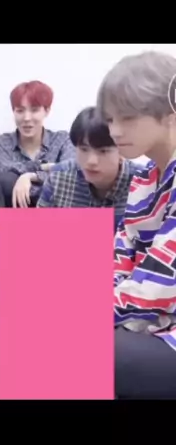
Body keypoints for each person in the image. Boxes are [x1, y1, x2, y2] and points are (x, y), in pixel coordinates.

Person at [97, 50, 176, 398]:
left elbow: (162, 282)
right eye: (110, 118)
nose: (115, 131)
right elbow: (121, 253)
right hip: (151, 315)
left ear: (170, 113)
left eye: (127, 117)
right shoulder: (143, 178)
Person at [37, 106, 142, 232]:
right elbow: (38, 234)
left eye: (103, 151)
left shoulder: (144, 184)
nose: (91, 161)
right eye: (84, 149)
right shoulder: (58, 178)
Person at [0, 80, 75, 207]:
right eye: (20, 111)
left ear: (47, 111)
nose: (27, 118)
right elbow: (3, 178)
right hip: (15, 213)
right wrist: (47, 168)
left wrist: (31, 176)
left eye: (34, 110)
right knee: (6, 181)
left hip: (56, 214)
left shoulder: (63, 140)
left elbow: (70, 175)